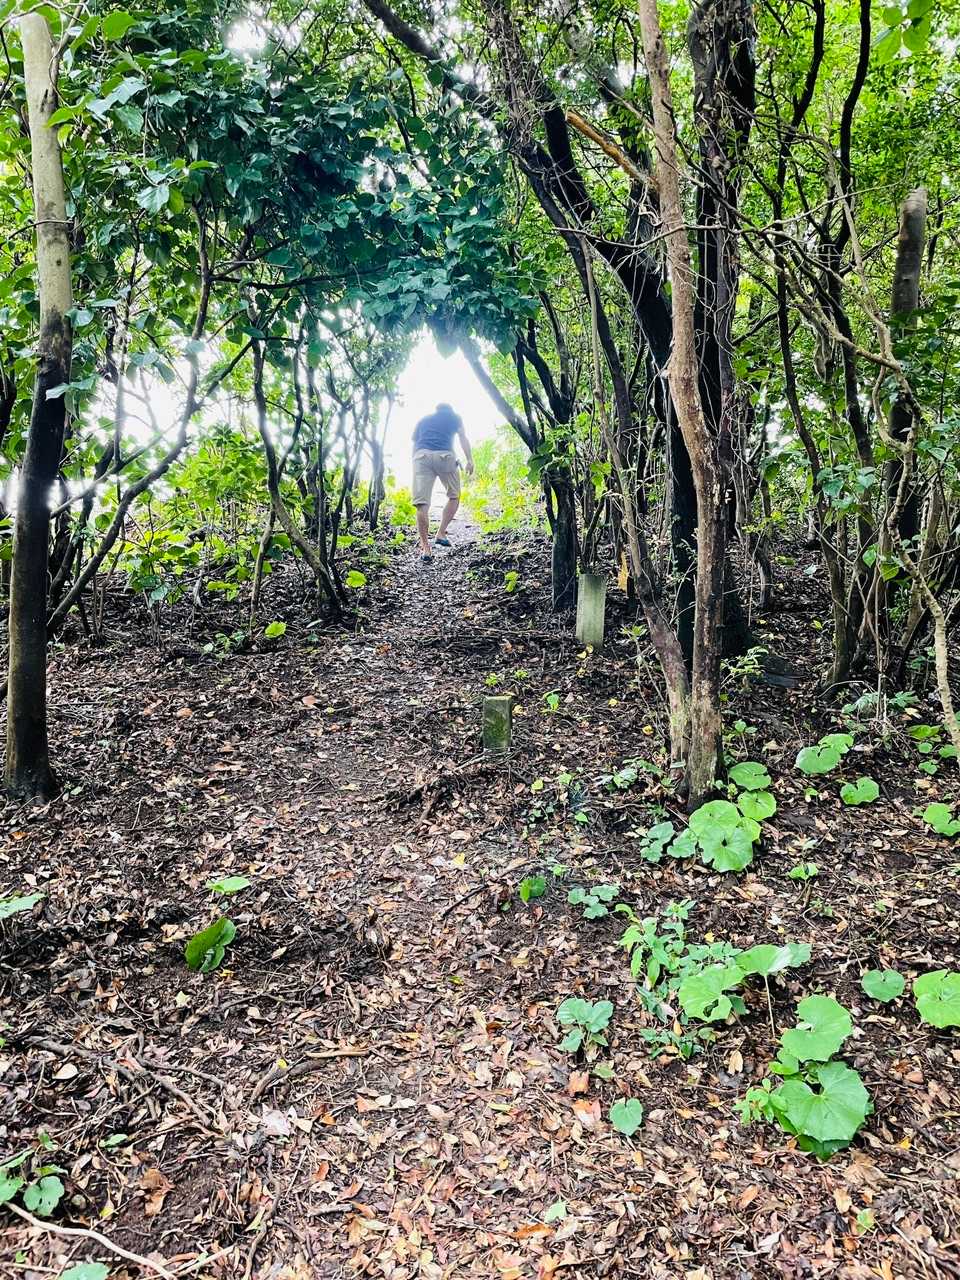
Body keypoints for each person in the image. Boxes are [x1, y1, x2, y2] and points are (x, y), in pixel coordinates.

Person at [411, 402, 473, 562]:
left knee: (422, 504)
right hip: (445, 457)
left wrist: (415, 462)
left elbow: (415, 443)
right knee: (454, 496)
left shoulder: (424, 420)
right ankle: (440, 533)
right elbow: (463, 437)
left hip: (421, 457)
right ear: (449, 410)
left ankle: (426, 548)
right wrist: (469, 460)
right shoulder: (454, 417)